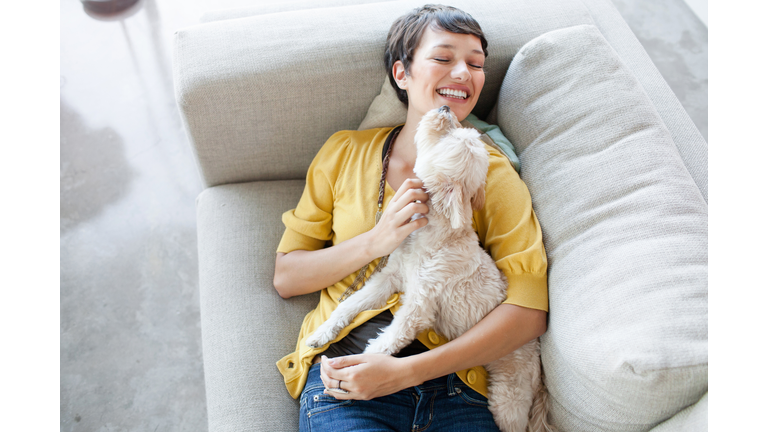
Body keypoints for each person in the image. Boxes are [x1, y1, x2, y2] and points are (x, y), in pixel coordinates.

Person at [273, 4, 549, 431]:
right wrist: (376, 241)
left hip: (458, 388)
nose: (464, 73)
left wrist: (409, 371)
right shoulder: (344, 152)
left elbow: (529, 310)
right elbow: (288, 278)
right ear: (402, 74)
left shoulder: (488, 173)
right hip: (349, 379)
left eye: (476, 65)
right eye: (443, 58)